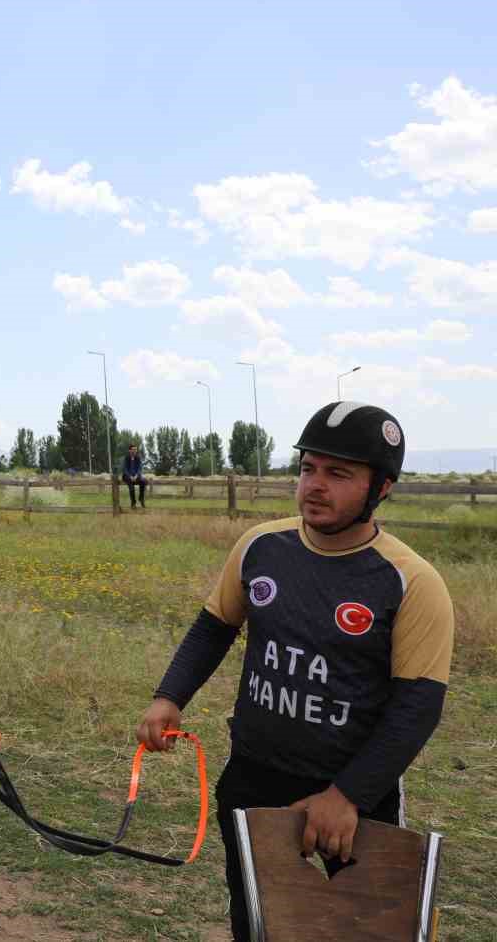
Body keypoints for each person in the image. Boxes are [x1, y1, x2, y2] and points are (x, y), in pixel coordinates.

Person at [135, 402, 454, 942]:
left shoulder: (411, 582)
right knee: (261, 923)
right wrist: (170, 696)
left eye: (339, 473)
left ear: (382, 488)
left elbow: (417, 707)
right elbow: (214, 627)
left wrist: (347, 795)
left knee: (365, 930)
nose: (315, 485)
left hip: (357, 796)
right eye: (308, 468)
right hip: (255, 779)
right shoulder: (261, 547)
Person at [122, 442, 147, 508]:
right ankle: (133, 503)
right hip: (127, 476)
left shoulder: (138, 458)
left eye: (135, 449)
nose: (134, 451)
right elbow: (125, 469)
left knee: (143, 482)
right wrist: (130, 476)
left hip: (136, 476)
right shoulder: (126, 458)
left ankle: (141, 499)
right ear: (129, 450)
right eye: (133, 449)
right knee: (131, 487)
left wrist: (136, 476)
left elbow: (140, 468)